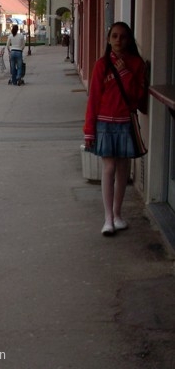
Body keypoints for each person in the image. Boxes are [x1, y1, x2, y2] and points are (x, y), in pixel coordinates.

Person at [84, 21, 148, 236]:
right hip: (104, 122)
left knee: (123, 171)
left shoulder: (136, 64)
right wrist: (89, 129)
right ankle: (108, 218)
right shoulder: (102, 64)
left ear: (129, 39)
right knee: (109, 168)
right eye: (114, 36)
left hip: (125, 122)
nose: (118, 40)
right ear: (109, 40)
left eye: (122, 36)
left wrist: (127, 74)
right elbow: (93, 98)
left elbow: (138, 97)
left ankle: (118, 214)